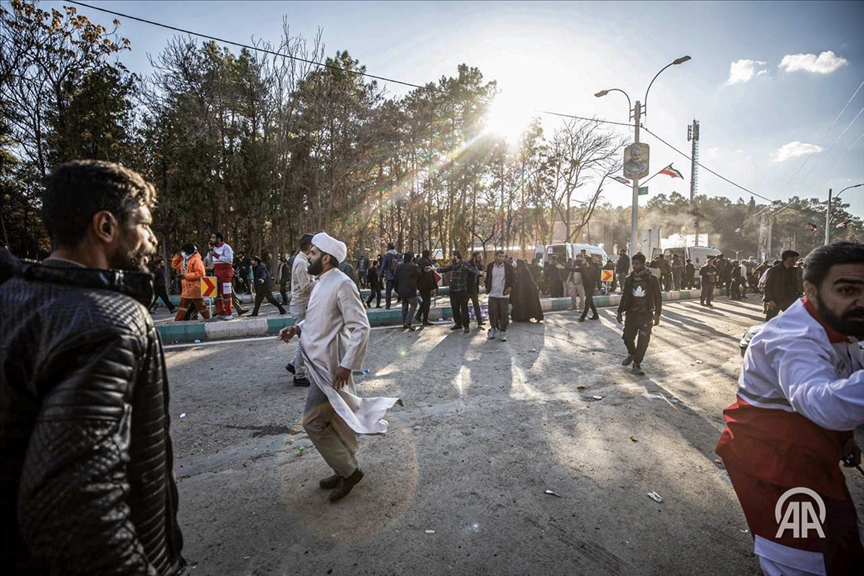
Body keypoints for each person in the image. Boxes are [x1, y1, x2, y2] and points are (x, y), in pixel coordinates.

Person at [0, 160, 184, 574]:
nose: (152, 240)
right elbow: (77, 508)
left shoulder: (13, 297)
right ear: (105, 227)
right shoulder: (112, 321)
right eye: (144, 225)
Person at [715, 242, 864, 576]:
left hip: (813, 451)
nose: (862, 300)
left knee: (840, 540)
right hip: (774, 464)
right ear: (810, 289)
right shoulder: (793, 337)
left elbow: (839, 379)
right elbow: (822, 401)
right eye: (847, 289)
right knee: (800, 556)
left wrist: (844, 439)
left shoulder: (840, 323)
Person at [278, 232, 400, 502]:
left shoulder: (342, 284)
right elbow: (318, 321)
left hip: (332, 368)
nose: (308, 257)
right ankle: (343, 467)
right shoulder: (321, 282)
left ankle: (349, 471)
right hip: (319, 364)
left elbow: (361, 326)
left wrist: (347, 365)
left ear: (326, 257)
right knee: (336, 420)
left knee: (312, 422)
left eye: (312, 253)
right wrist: (296, 328)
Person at [616, 253, 662, 376]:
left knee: (643, 341)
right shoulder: (629, 279)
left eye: (637, 264)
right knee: (627, 338)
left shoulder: (652, 279)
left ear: (642, 264)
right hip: (631, 314)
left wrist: (657, 314)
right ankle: (632, 353)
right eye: (633, 264)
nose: (634, 266)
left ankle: (637, 363)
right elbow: (625, 296)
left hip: (645, 315)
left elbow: (658, 297)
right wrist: (619, 311)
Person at [287, 233, 315, 386]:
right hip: (300, 305)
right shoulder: (302, 263)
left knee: (304, 340)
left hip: (302, 305)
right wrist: (322, 281)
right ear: (310, 246)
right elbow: (306, 287)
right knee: (305, 342)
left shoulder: (303, 261)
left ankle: (293, 364)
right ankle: (299, 374)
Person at [434, 250, 482, 334]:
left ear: (456, 256)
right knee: (454, 307)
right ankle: (458, 323)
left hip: (462, 289)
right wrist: (434, 269)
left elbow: (473, 270)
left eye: (452, 255)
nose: (451, 257)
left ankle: (466, 325)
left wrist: (480, 272)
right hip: (453, 289)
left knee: (464, 308)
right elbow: (445, 269)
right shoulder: (452, 264)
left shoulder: (464, 264)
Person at [172, 242, 211, 321]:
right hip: (186, 289)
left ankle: (209, 320)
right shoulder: (184, 260)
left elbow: (201, 273)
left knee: (201, 306)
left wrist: (185, 276)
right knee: (182, 307)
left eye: (183, 251)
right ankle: (177, 321)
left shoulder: (196, 260)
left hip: (194, 288)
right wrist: (178, 255)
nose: (182, 253)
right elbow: (174, 265)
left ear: (188, 251)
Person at [763, 249, 802, 321]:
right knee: (770, 321)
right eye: (795, 258)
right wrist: (770, 300)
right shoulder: (775, 270)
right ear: (789, 258)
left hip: (789, 300)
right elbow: (767, 286)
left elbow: (796, 285)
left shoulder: (794, 271)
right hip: (776, 300)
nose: (796, 261)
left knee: (795, 320)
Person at [485, 249, 515, 341]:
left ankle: (503, 331)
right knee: (492, 312)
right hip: (493, 293)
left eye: (503, 256)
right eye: (499, 256)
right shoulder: (490, 266)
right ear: (495, 257)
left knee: (504, 314)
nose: (501, 258)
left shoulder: (508, 267)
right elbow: (488, 277)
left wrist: (510, 288)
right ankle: (493, 329)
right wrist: (487, 287)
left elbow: (514, 279)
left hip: (503, 294)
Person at [208, 231, 235, 317]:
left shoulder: (226, 247)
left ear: (219, 239)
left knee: (226, 293)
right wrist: (210, 251)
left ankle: (228, 313)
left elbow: (229, 259)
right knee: (216, 293)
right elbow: (209, 260)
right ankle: (221, 312)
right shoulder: (214, 248)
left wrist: (216, 255)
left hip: (225, 272)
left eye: (213, 238)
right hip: (216, 271)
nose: (211, 239)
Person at [395, 251, 420, 330]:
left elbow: (396, 278)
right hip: (410, 289)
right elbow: (419, 275)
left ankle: (404, 323)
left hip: (401, 289)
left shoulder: (399, 267)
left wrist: (397, 289)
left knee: (404, 306)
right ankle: (408, 322)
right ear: (411, 258)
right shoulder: (413, 267)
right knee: (414, 305)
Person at [415, 249, 438, 326]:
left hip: (420, 285)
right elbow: (429, 277)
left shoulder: (419, 262)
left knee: (424, 301)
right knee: (427, 302)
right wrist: (432, 287)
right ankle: (424, 319)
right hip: (426, 285)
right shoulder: (427, 263)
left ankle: (418, 316)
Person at [466, 251, 486, 328]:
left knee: (476, 305)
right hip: (467, 288)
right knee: (464, 306)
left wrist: (482, 282)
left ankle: (480, 321)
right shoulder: (468, 265)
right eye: (479, 257)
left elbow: (479, 276)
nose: (481, 259)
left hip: (474, 288)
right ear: (474, 257)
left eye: (481, 257)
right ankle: (465, 322)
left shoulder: (479, 265)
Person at [380, 242, 401, 309]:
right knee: (399, 289)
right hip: (397, 276)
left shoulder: (386, 255)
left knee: (388, 291)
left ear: (388, 248)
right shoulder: (398, 255)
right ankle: (403, 300)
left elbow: (383, 266)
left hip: (389, 276)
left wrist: (380, 274)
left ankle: (388, 305)